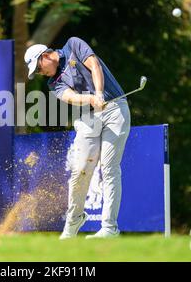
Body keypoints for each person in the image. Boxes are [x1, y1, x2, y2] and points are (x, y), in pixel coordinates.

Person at [24, 37, 131, 239]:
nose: (39, 73)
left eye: (38, 68)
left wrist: (99, 93)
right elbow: (71, 97)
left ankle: (109, 228)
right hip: (86, 118)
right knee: (80, 171)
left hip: (115, 108)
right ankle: (74, 221)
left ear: (45, 56)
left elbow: (94, 65)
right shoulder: (53, 83)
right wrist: (91, 99)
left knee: (109, 168)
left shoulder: (73, 45)